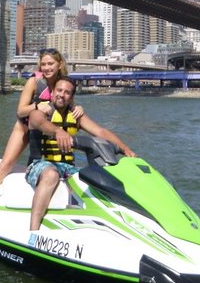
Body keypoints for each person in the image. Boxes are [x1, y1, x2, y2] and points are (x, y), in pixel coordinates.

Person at [0, 49, 83, 216]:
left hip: (44, 129)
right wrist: (37, 105)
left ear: (59, 64)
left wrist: (79, 109)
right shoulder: (34, 82)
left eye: (50, 64)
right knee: (7, 163)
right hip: (24, 127)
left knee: (43, 162)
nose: (46, 68)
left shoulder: (63, 84)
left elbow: (68, 106)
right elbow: (20, 111)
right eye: (44, 64)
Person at [26, 76, 136, 231]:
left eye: (67, 92)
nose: (61, 94)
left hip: (67, 168)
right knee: (51, 174)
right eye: (59, 90)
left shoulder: (75, 115)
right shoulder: (41, 112)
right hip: (40, 165)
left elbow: (100, 131)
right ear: (52, 92)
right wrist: (58, 131)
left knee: (98, 180)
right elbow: (38, 122)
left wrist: (125, 149)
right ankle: (33, 231)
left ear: (71, 97)